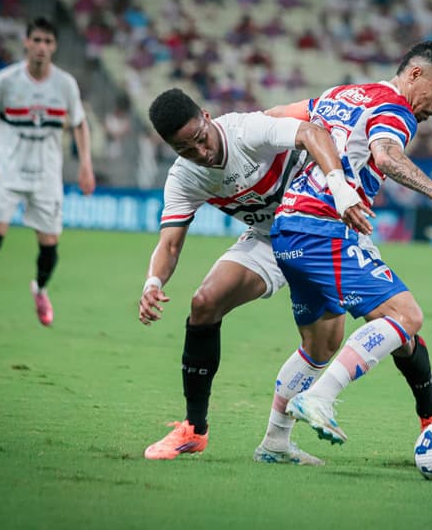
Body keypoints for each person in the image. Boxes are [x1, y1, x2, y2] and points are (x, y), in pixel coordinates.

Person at [262, 41, 432, 446]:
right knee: (405, 315)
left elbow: (273, 119)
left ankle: (274, 443)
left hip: (287, 228)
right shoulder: (395, 108)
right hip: (323, 229)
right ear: (415, 74)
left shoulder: (341, 95)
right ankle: (320, 399)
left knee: (321, 342)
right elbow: (386, 156)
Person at [138, 88, 372, 464]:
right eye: (186, 149)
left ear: (207, 115)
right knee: (204, 303)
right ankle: (194, 430)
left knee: (347, 337)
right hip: (269, 241)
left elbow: (313, 134)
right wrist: (153, 283)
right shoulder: (185, 177)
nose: (202, 153)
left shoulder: (246, 131)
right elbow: (169, 244)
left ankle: (430, 415)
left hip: (319, 229)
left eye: (200, 138)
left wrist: (340, 190)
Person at [0, 17, 95, 333]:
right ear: (26, 43)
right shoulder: (6, 80)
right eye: (37, 40)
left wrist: (85, 163)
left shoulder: (65, 85)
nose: (42, 47)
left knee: (49, 244)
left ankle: (40, 291)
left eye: (48, 41)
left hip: (46, 172)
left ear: (54, 47)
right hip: (6, 167)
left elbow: (80, 124)